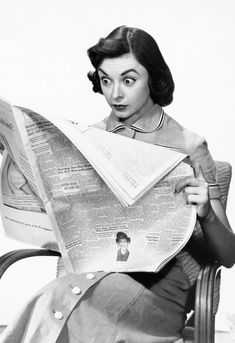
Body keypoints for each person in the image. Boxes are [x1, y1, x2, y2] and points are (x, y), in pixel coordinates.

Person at [1, 25, 235, 343]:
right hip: (89, 274)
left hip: (157, 286)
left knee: (73, 309)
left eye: (128, 80)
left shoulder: (190, 146)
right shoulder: (85, 141)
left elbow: (229, 254)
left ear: (153, 78)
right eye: (105, 79)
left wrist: (206, 212)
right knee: (53, 301)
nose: (115, 94)